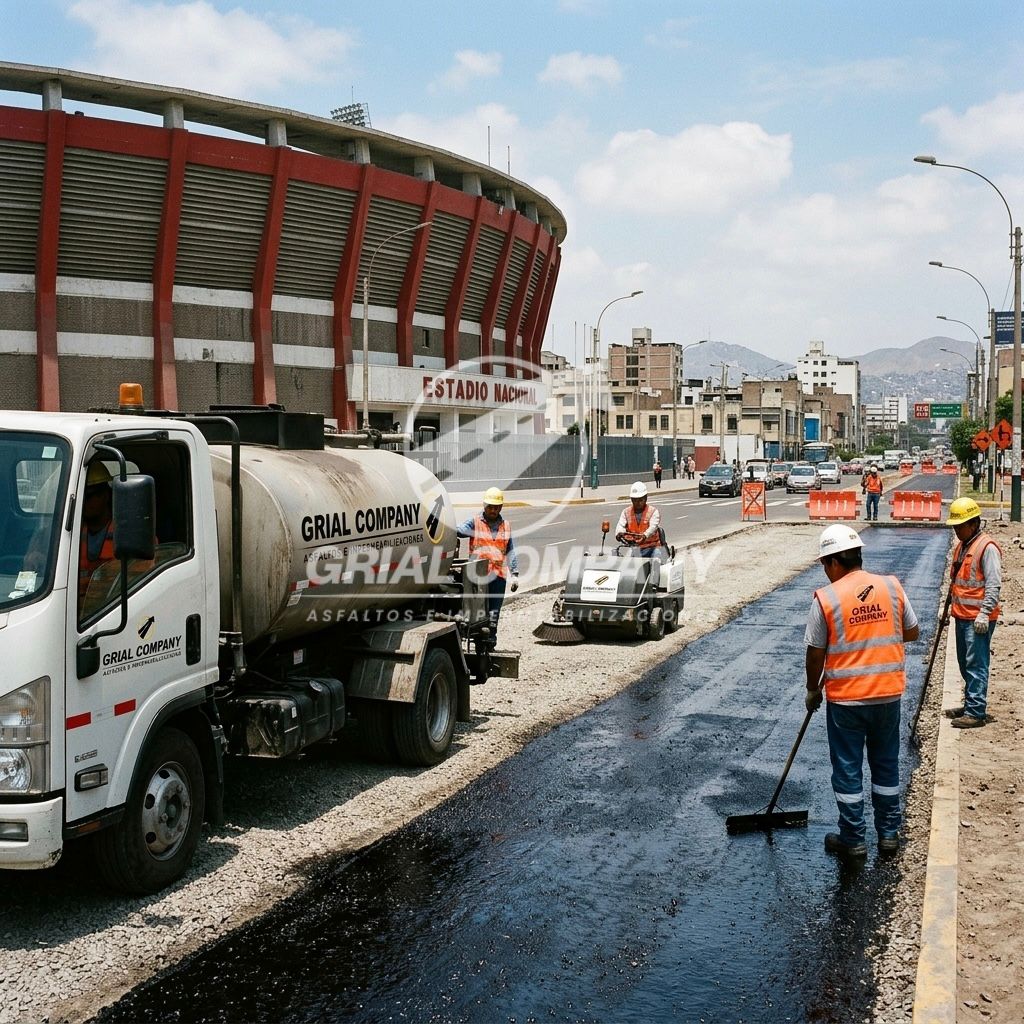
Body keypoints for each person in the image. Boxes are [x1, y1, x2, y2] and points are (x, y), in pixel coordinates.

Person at [804, 524, 920, 860]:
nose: (825, 572)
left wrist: (813, 690)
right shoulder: (890, 586)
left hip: (847, 701)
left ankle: (853, 839)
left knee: (848, 767)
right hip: (887, 695)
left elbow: (814, 651)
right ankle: (888, 834)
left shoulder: (827, 598)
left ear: (834, 562)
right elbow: (911, 631)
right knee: (885, 764)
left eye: (825, 565)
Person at [944, 498, 1002, 728]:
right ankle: (970, 703)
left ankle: (976, 711)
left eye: (960, 526)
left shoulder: (987, 548)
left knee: (976, 664)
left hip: (978, 619)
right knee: (964, 663)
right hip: (962, 615)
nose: (957, 531)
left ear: (974, 523)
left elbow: (994, 585)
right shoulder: (963, 545)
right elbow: (958, 580)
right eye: (955, 527)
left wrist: (984, 614)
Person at [457, 486, 518, 648]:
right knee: (477, 613)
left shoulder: (506, 526)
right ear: (485, 506)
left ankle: (490, 641)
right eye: (490, 507)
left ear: (501, 507)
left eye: (496, 507)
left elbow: (511, 551)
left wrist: (515, 574)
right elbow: (459, 531)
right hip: (478, 577)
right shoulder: (474, 522)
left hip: (498, 577)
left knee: (494, 613)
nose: (493, 510)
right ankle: (478, 640)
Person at [79, 461, 116, 605]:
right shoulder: (67, 532)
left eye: (89, 496)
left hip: (111, 607)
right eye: (81, 497)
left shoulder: (131, 533)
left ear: (106, 495)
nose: (84, 503)